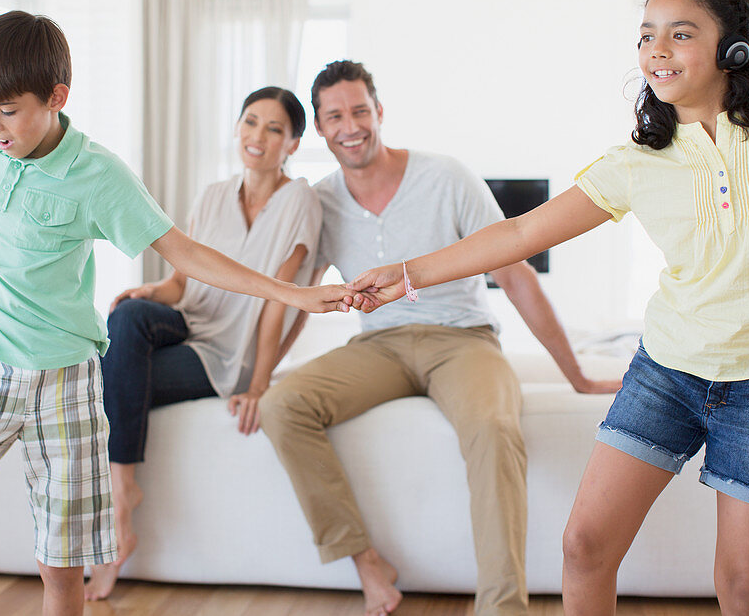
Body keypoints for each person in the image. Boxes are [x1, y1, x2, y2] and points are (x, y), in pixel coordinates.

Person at [0, 11, 355, 616]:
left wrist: (293, 295)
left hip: (68, 385)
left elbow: (181, 251)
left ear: (57, 98)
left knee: (60, 570)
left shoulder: (98, 175)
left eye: (7, 110)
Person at [348, 0, 749, 616]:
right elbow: (518, 232)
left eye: (680, 33)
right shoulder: (638, 161)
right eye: (646, 34)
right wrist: (407, 274)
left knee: (745, 588)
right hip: (667, 374)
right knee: (585, 545)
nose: (656, 49)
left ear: (730, 46)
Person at [258, 60, 617, 616]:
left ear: (379, 112)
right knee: (283, 405)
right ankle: (363, 559)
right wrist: (258, 380)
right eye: (335, 116)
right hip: (379, 346)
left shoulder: (446, 176)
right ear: (321, 131)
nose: (350, 125)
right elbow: (301, 298)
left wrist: (578, 375)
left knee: (494, 429)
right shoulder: (321, 201)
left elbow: (515, 275)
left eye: (359, 110)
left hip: (464, 340)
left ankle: (501, 607)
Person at [84, 86, 321, 600]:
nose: (258, 136)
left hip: (225, 354)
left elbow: (279, 300)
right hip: (187, 322)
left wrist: (258, 385)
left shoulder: (301, 201)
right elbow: (180, 285)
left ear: (294, 144)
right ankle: (124, 489)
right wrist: (151, 291)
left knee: (111, 376)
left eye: (274, 128)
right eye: (251, 122)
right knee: (127, 315)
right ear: (238, 128)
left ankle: (118, 510)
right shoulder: (212, 195)